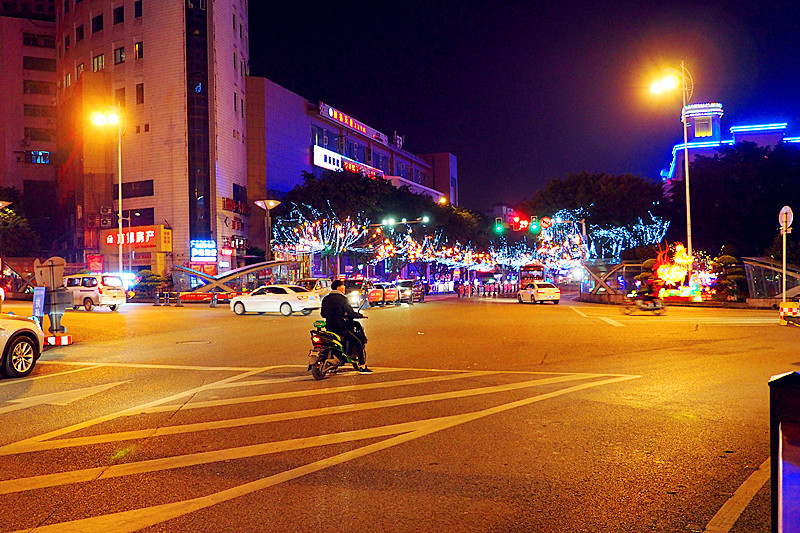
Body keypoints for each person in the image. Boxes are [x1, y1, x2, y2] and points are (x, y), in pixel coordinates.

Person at [321, 279, 371, 374]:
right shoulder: (342, 299)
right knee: (357, 342)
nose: (344, 287)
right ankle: (362, 366)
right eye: (342, 285)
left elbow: (323, 314)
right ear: (338, 287)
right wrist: (360, 315)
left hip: (329, 328)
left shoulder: (326, 299)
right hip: (340, 328)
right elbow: (351, 314)